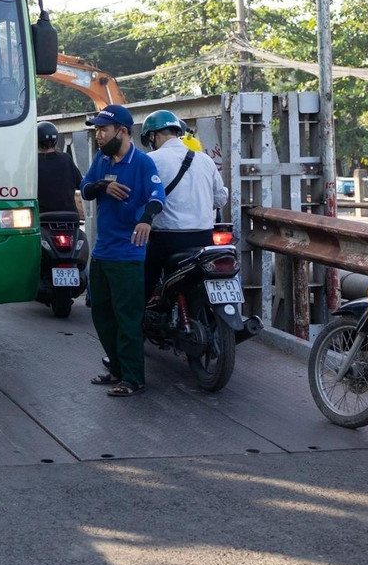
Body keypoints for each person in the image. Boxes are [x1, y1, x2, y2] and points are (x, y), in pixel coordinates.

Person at [80, 104, 165, 397]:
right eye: (97, 130)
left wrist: (146, 220)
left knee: (127, 317)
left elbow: (157, 196)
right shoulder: (102, 161)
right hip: (102, 252)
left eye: (103, 130)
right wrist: (103, 186)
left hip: (128, 255)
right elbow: (85, 188)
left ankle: (133, 377)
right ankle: (116, 368)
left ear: (123, 131)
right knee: (101, 314)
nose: (99, 136)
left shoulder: (142, 163)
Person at [139, 109, 229, 302]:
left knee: (144, 284)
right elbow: (221, 199)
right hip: (203, 238)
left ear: (153, 136)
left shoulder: (151, 160)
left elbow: (141, 197)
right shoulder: (205, 160)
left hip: (167, 239)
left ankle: (140, 323)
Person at [36, 121, 83, 217]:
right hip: (70, 217)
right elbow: (80, 184)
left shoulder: (34, 163)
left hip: (43, 218)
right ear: (56, 140)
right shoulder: (66, 158)